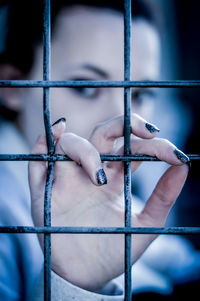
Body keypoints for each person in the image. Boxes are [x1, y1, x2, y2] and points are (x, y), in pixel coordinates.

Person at [0, 1, 199, 300]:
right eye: (86, 87)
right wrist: (73, 284)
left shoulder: (120, 190)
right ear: (13, 86)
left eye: (141, 93)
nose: (123, 118)